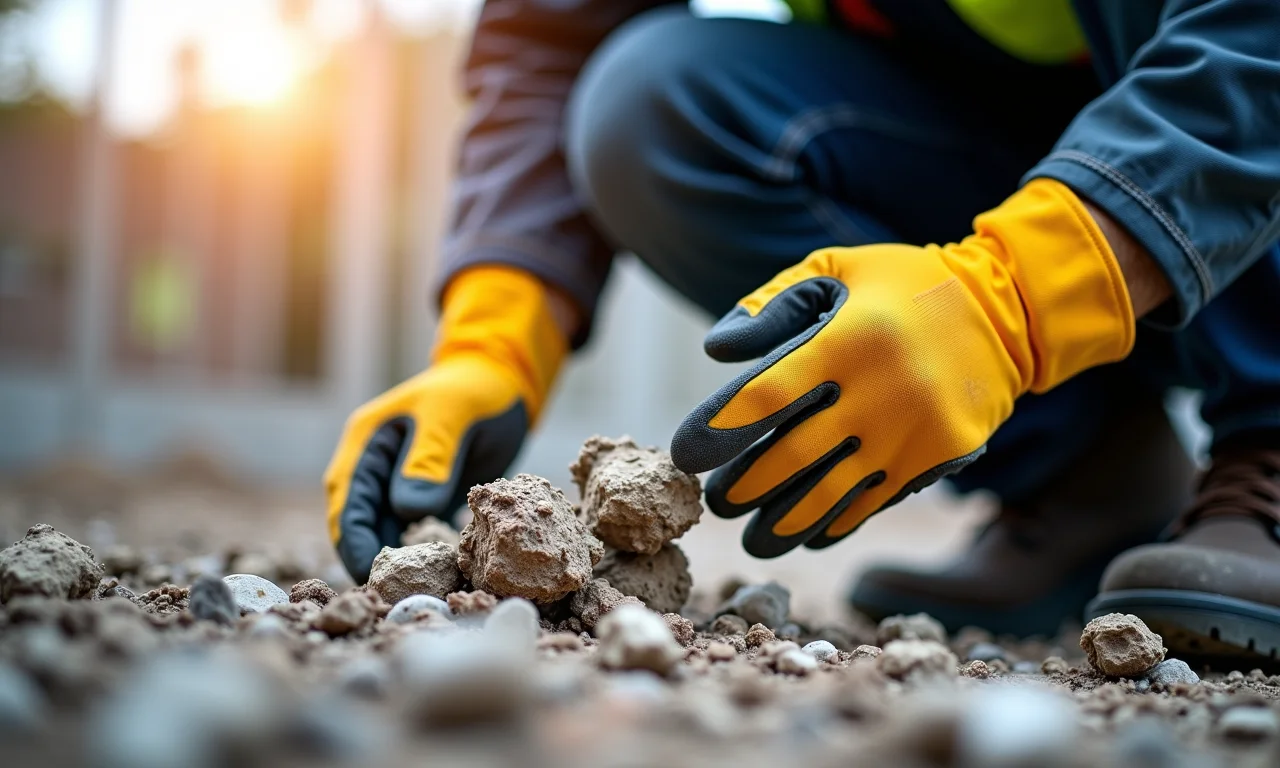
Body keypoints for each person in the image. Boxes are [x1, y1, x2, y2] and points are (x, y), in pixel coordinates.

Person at [324, 1, 1280, 662]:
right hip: (1025, 142)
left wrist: (1016, 300)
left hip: (1218, 159)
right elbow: (551, 43)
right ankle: (1091, 482)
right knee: (658, 107)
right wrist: (493, 341)